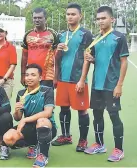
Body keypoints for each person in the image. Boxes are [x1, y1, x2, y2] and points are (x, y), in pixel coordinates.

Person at [84, 6, 129, 162]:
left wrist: (119, 85)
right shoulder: (96, 38)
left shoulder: (118, 37)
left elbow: (123, 62)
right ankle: (100, 144)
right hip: (97, 85)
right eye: (98, 19)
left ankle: (119, 149)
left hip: (111, 85)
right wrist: (91, 59)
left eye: (103, 18)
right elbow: (97, 59)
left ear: (112, 19)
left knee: (114, 116)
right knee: (97, 115)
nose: (100, 21)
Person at [51, 3, 92, 152]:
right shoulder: (61, 35)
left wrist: (82, 79)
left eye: (73, 14)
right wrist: (55, 77)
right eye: (68, 14)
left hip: (77, 79)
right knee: (63, 108)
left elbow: (87, 58)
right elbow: (57, 58)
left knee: (82, 110)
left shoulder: (86, 34)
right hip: (62, 79)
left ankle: (83, 140)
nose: (70, 17)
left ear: (80, 16)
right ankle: (66, 135)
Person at [0, 64, 57, 168]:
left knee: (42, 121)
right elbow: (18, 118)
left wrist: (25, 119)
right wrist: (17, 111)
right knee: (8, 138)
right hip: (29, 127)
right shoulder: (21, 93)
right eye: (27, 75)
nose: (29, 78)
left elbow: (47, 113)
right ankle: (33, 145)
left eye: (33, 75)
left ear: (40, 78)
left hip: (47, 127)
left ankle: (43, 156)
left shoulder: (47, 91)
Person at [21, 8, 58, 88]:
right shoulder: (28, 34)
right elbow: (24, 57)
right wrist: (23, 75)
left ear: (45, 19)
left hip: (48, 76)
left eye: (40, 18)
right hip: (31, 75)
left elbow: (57, 57)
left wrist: (56, 76)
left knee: (46, 99)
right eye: (35, 18)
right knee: (31, 99)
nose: (37, 20)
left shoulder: (53, 34)